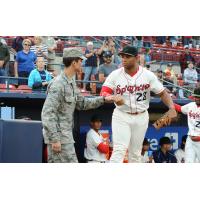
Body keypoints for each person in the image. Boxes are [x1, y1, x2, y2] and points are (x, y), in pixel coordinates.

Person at [100, 45, 177, 163]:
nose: (124, 59)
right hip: (121, 115)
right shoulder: (115, 74)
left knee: (135, 153)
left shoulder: (148, 75)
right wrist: (111, 97)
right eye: (122, 56)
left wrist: (171, 107)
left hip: (141, 116)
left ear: (137, 58)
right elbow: (103, 92)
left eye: (127, 57)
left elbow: (162, 93)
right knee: (119, 150)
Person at [41, 48, 119, 163]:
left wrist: (103, 99)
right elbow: (47, 114)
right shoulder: (58, 84)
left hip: (66, 137)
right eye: (80, 61)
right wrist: (55, 139)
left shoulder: (71, 82)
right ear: (74, 62)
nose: (82, 63)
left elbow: (82, 103)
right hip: (59, 139)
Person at [174, 87, 200, 163]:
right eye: (196, 96)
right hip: (190, 139)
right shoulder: (191, 105)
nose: (197, 98)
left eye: (199, 97)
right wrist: (169, 102)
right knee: (188, 162)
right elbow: (180, 108)